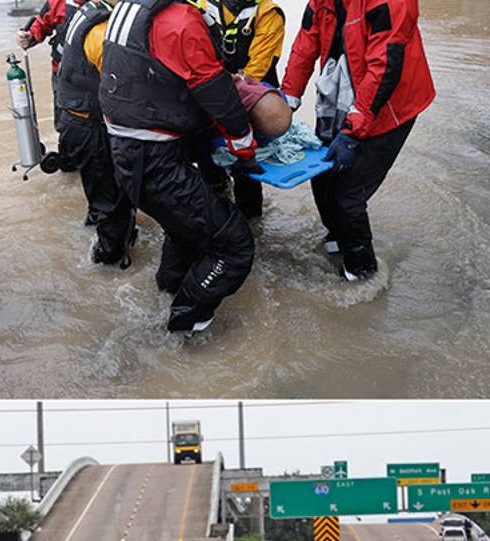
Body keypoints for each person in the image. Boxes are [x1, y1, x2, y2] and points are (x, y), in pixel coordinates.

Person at [100, 0, 260, 333]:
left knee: (184, 232)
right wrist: (243, 144)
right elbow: (214, 90)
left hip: (128, 153)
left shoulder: (129, 8)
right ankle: (183, 324)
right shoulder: (179, 20)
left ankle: (166, 295)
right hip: (154, 159)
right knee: (234, 244)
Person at [280, 0, 434, 281]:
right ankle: (339, 240)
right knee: (323, 177)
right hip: (342, 94)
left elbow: (385, 66)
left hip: (391, 107)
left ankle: (363, 275)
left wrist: (353, 131)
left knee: (347, 195)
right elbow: (305, 46)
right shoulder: (320, 2)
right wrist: (284, 103)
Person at [54, 0, 138, 265]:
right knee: (111, 200)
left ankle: (102, 237)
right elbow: (121, 87)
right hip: (89, 126)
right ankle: (108, 262)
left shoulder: (90, 10)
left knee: (101, 194)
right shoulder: (102, 28)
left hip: (78, 119)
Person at [192, 0, 287, 217]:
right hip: (212, 95)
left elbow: (258, 68)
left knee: (247, 170)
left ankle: (251, 220)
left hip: (250, 98)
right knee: (208, 163)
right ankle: (217, 198)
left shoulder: (268, 12)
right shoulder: (204, 5)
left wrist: (224, 89)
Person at [18, 0, 88, 133]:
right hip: (64, 77)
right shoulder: (58, 2)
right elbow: (41, 25)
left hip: (103, 79)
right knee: (68, 126)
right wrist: (29, 36)